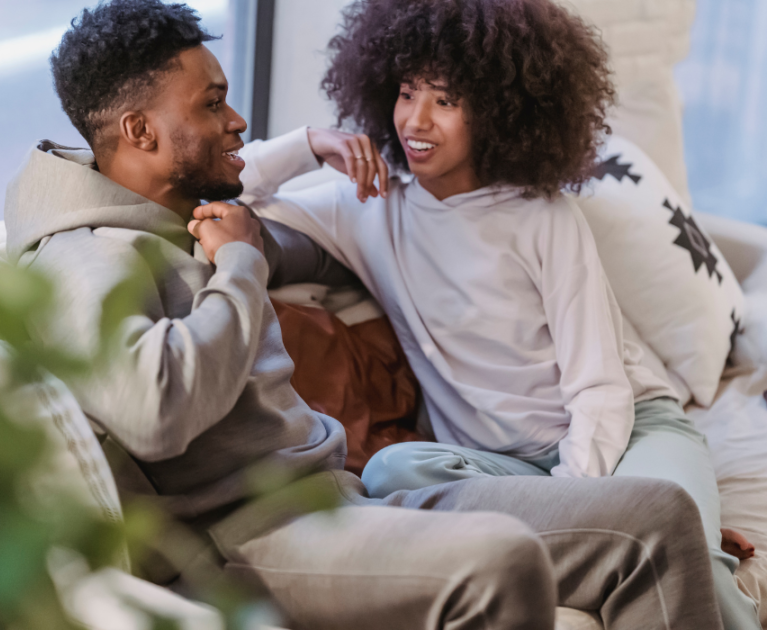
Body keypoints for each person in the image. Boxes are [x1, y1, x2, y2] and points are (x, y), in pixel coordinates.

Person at [5, 1, 724, 628]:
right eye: (212, 104)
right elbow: (155, 410)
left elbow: (271, 222)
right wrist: (242, 265)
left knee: (656, 520)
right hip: (256, 534)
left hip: (343, 496)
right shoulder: (84, 256)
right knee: (499, 558)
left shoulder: (180, 211)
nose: (237, 119)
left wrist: (293, 171)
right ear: (140, 131)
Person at [237, 0, 760, 628]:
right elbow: (233, 191)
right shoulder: (365, 207)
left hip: (628, 434)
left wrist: (588, 507)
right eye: (407, 93)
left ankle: (694, 551)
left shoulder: (544, 218)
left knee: (675, 530)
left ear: (498, 111)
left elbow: (599, 390)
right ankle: (670, 538)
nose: (416, 120)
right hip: (496, 463)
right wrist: (309, 143)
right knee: (393, 470)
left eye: (446, 100)